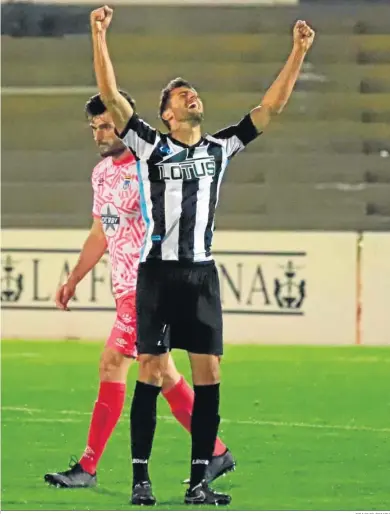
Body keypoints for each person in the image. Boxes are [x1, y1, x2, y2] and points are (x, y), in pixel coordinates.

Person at [90, 5, 315, 506]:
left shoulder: (220, 148)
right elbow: (110, 96)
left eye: (194, 92)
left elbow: (269, 108)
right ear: (167, 112)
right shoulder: (150, 145)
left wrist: (298, 52)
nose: (192, 96)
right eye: (180, 93)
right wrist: (98, 35)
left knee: (208, 373)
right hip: (158, 274)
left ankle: (198, 481)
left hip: (201, 274)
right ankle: (141, 479)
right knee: (149, 370)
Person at [43, 92, 235, 489]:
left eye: (107, 125)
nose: (99, 134)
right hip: (125, 289)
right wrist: (75, 277)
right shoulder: (102, 174)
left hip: (147, 286)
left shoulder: (151, 165)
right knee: (162, 372)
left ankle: (88, 467)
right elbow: (101, 231)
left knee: (113, 363)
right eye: (94, 127)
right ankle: (215, 452)